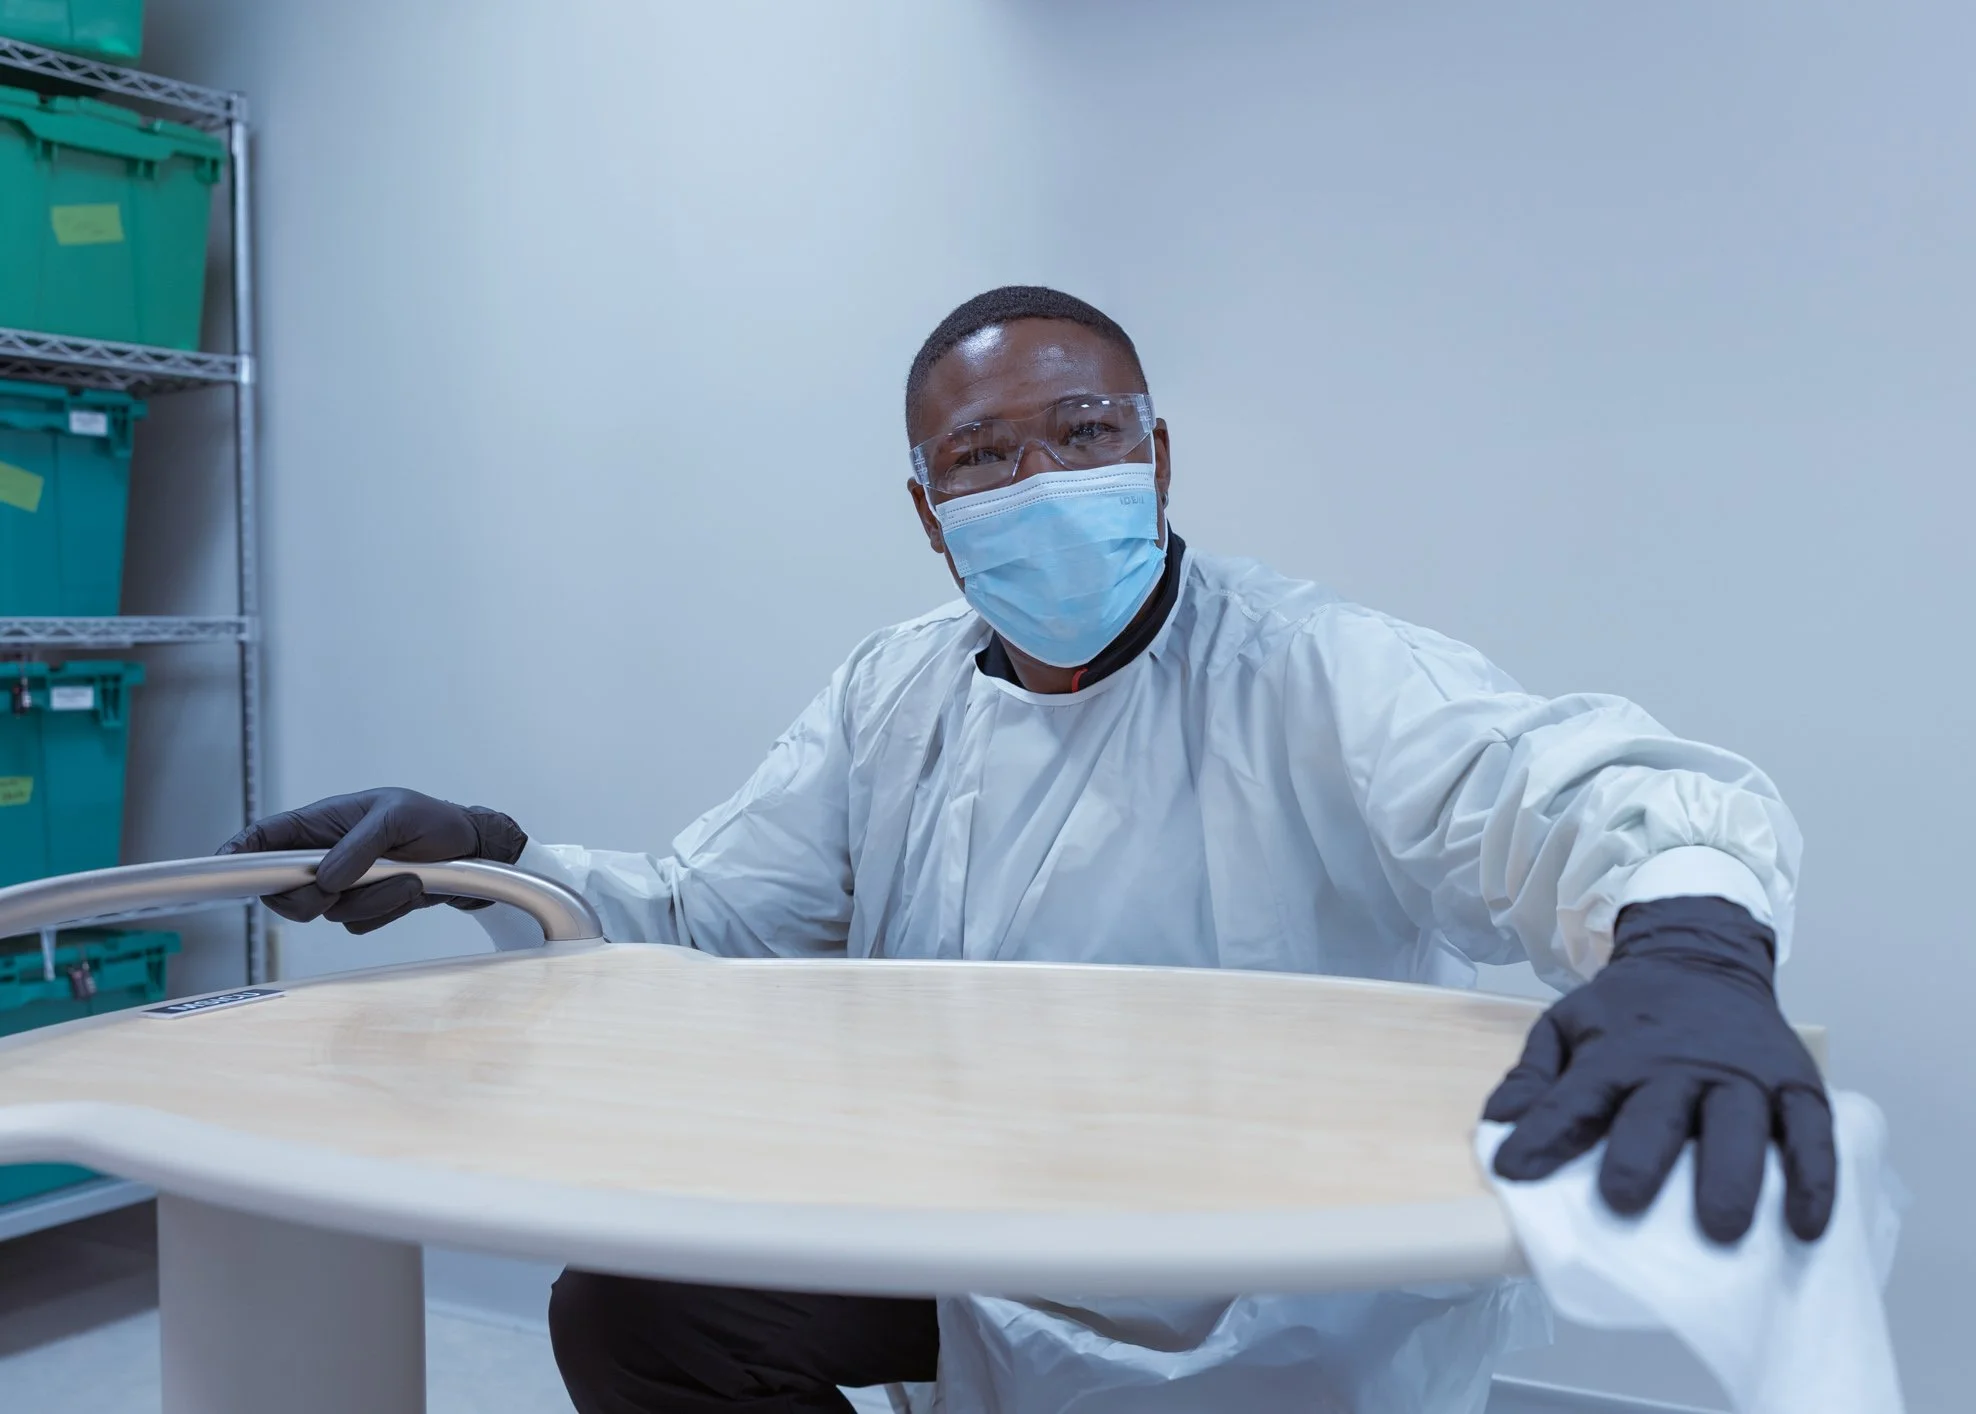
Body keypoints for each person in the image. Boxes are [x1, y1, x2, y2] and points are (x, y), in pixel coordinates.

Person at [223, 286, 1835, 1414]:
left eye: (1081, 431)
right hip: (978, 1244)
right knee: (636, 1316)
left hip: (1266, 1290)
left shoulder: (1314, 666)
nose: (1039, 481)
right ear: (928, 510)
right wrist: (493, 855)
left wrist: (1689, 939)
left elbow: (1561, 787)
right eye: (984, 458)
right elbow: (713, 915)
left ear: (1156, 451)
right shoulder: (892, 689)